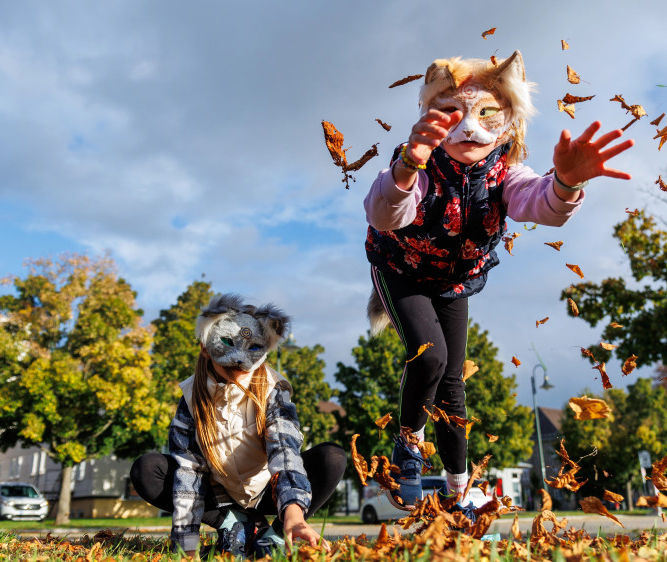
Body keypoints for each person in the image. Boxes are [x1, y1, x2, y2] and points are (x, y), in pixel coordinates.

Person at [363, 51, 634, 516]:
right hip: (402, 270)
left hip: (455, 281)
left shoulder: (505, 172)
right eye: (452, 113)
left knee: (453, 384)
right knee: (430, 356)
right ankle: (408, 446)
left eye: (486, 113)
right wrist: (408, 165)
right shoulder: (419, 163)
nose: (469, 128)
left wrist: (566, 184)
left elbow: (539, 203)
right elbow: (385, 214)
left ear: (509, 122)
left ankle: (458, 489)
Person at [130, 294, 346, 557]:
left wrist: (294, 513)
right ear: (205, 348)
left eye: (252, 349)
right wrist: (186, 546)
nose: (240, 362)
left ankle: (274, 535)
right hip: (218, 495)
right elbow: (190, 471)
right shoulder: (191, 398)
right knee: (147, 468)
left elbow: (285, 452)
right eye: (229, 348)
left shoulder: (273, 389)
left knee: (332, 457)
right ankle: (232, 521)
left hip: (268, 490)